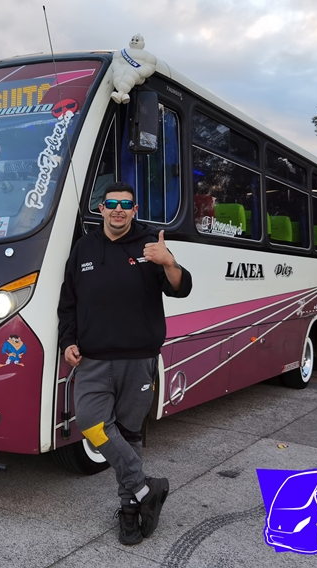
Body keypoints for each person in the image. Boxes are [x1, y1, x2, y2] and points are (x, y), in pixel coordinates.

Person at [57, 182, 193, 545]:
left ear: (134, 210)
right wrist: (67, 339)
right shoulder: (84, 248)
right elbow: (68, 302)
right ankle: (147, 488)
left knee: (129, 434)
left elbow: (181, 288)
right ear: (101, 209)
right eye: (112, 204)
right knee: (92, 424)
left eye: (126, 205)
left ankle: (131, 509)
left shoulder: (150, 246)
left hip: (138, 358)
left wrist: (170, 262)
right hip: (95, 359)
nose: (118, 209)